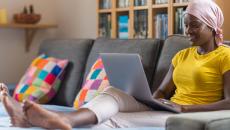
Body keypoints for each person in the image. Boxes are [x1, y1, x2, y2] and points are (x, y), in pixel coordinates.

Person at [0, 0, 229, 129]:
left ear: (211, 26)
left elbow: (229, 102)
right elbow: (162, 91)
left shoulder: (225, 56)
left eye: (195, 26)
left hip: (184, 115)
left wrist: (185, 108)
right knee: (112, 92)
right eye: (186, 25)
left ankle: (36, 120)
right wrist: (151, 99)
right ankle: (59, 120)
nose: (188, 31)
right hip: (167, 107)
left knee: (109, 120)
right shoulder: (182, 55)